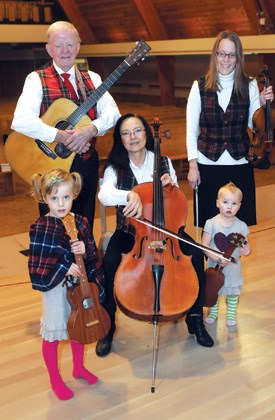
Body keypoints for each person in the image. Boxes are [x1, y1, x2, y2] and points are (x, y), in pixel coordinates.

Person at [95, 113, 214, 358]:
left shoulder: (162, 160)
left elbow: (177, 199)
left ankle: (195, 320)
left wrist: (172, 184)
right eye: (126, 133)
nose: (133, 137)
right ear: (120, 139)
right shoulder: (114, 166)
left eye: (137, 131)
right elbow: (105, 195)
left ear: (146, 134)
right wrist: (128, 195)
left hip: (166, 231)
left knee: (196, 256)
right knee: (108, 264)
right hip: (130, 233)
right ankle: (108, 327)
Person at [12, 21, 120, 229]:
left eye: (70, 44)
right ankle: (59, 262)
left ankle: (82, 261)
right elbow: (21, 119)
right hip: (52, 164)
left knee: (85, 221)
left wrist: (90, 130)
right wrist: (60, 135)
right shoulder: (36, 79)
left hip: (85, 162)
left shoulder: (93, 78)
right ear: (49, 49)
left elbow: (113, 113)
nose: (65, 50)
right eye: (58, 45)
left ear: (78, 47)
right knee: (54, 226)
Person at [28, 168, 105, 400]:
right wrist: (63, 267)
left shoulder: (80, 221)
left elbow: (91, 255)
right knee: (53, 333)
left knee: (78, 327)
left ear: (74, 194)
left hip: (78, 287)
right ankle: (54, 378)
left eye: (66, 197)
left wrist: (85, 249)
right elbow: (39, 265)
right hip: (55, 289)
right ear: (44, 198)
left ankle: (78, 367)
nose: (61, 204)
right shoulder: (40, 227)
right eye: (54, 198)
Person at [186, 30, 274, 228]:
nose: (226, 59)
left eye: (231, 55)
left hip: (240, 164)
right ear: (215, 54)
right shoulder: (198, 86)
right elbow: (191, 131)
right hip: (208, 165)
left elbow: (254, 125)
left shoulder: (250, 84)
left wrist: (261, 104)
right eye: (221, 53)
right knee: (209, 229)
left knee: (238, 231)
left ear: (238, 57)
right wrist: (193, 166)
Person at [202, 182, 251, 327]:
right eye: (225, 202)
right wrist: (216, 257)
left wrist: (247, 250)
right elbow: (204, 246)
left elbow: (246, 245)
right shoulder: (211, 223)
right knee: (214, 289)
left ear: (239, 206)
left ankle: (231, 313)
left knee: (233, 291)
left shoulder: (241, 226)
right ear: (218, 203)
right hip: (214, 265)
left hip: (233, 268)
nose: (229, 206)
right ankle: (214, 311)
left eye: (234, 203)